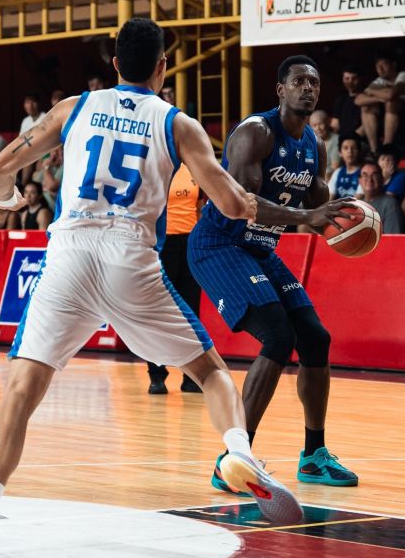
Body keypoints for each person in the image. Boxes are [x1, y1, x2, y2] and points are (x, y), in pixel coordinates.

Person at [0, 17, 301, 558]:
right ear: (162, 68)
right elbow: (232, 205)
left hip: (69, 255)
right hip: (130, 258)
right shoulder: (178, 124)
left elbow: (1, 165)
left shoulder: (74, 107)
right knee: (210, 373)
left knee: (20, 392)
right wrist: (278, 210)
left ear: (114, 65)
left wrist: (5, 194)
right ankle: (240, 453)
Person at [188, 54, 359, 496]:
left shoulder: (314, 144)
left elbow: (319, 205)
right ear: (280, 90)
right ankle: (235, 460)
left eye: (314, 83)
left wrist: (350, 220)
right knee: (278, 337)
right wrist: (307, 216)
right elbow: (242, 204)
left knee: (315, 338)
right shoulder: (256, 133)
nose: (308, 89)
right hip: (219, 245)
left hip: (260, 250)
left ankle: (314, 456)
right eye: (299, 82)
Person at [147, 163, 206, 395]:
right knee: (158, 312)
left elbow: (199, 208)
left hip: (189, 245)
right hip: (163, 245)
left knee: (190, 313)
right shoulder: (156, 165)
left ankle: (191, 377)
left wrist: (198, 242)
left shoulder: (193, 167)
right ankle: (156, 375)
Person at [356, 52, 405, 155]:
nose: (380, 69)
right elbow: (358, 100)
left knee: (392, 102)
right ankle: (375, 151)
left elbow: (391, 94)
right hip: (397, 129)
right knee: (367, 106)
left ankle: (387, 147)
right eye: (377, 66)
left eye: (383, 65)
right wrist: (378, 99)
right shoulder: (379, 81)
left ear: (394, 65)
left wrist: (371, 91)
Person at [359, 162, 403, 233]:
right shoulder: (357, 205)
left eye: (374, 175)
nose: (370, 179)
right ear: (360, 181)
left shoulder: (390, 204)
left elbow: (392, 238)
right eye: (365, 175)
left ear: (382, 180)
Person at [331, 64, 364, 140]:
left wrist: (352, 138)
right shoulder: (341, 97)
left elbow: (365, 126)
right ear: (343, 79)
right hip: (342, 139)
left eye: (354, 78)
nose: (350, 82)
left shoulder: (366, 98)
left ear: (360, 79)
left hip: (359, 139)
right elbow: (335, 124)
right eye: (347, 78)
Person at [328, 134, 364, 199]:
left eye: (354, 148)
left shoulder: (364, 172)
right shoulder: (337, 172)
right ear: (340, 153)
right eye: (345, 148)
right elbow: (329, 198)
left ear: (359, 151)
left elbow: (358, 199)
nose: (350, 151)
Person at [310, 109, 340, 179]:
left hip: (329, 177)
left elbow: (334, 167)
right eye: (314, 125)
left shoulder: (336, 140)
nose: (318, 128)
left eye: (320, 124)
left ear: (327, 123)